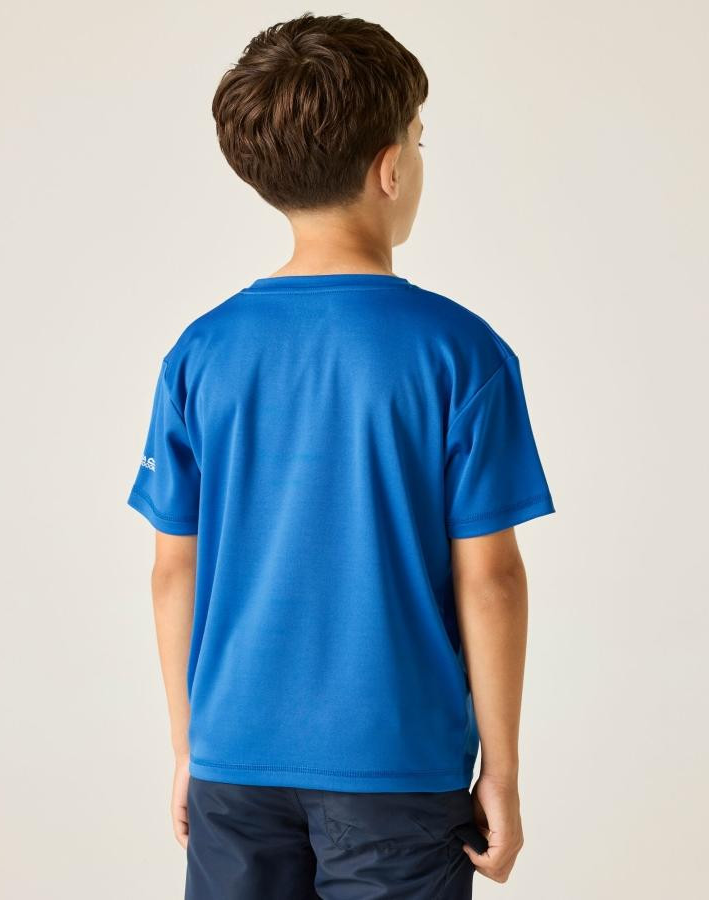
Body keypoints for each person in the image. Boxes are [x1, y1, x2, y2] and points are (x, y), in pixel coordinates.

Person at [126, 13, 555, 899]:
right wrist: (503, 773)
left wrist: (188, 744)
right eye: (420, 141)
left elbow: (173, 569)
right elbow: (491, 579)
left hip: (233, 761)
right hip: (398, 767)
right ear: (390, 168)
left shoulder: (200, 352)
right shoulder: (460, 353)